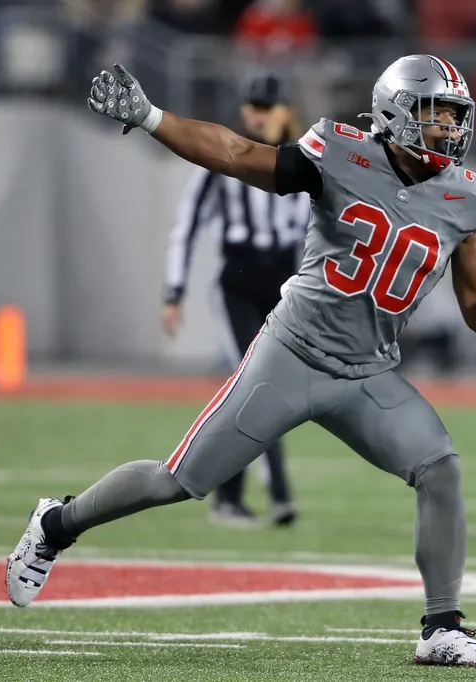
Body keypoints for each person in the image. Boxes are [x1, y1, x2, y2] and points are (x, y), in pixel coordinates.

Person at [6, 54, 476, 668]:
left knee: (440, 468)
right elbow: (238, 155)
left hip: (366, 372)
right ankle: (57, 523)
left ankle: (441, 628)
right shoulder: (342, 152)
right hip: (290, 353)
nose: (450, 129)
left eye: (456, 117)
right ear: (396, 111)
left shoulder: (465, 197)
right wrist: (153, 117)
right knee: (178, 480)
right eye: (436, 115)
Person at [162, 72, 309, 528]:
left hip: (286, 283)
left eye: (267, 107)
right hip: (239, 282)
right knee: (253, 381)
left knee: (276, 387)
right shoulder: (227, 156)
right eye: (252, 107)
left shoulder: (309, 159)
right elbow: (186, 226)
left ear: (285, 110)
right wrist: (174, 290)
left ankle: (246, 495)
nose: (257, 116)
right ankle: (265, 493)